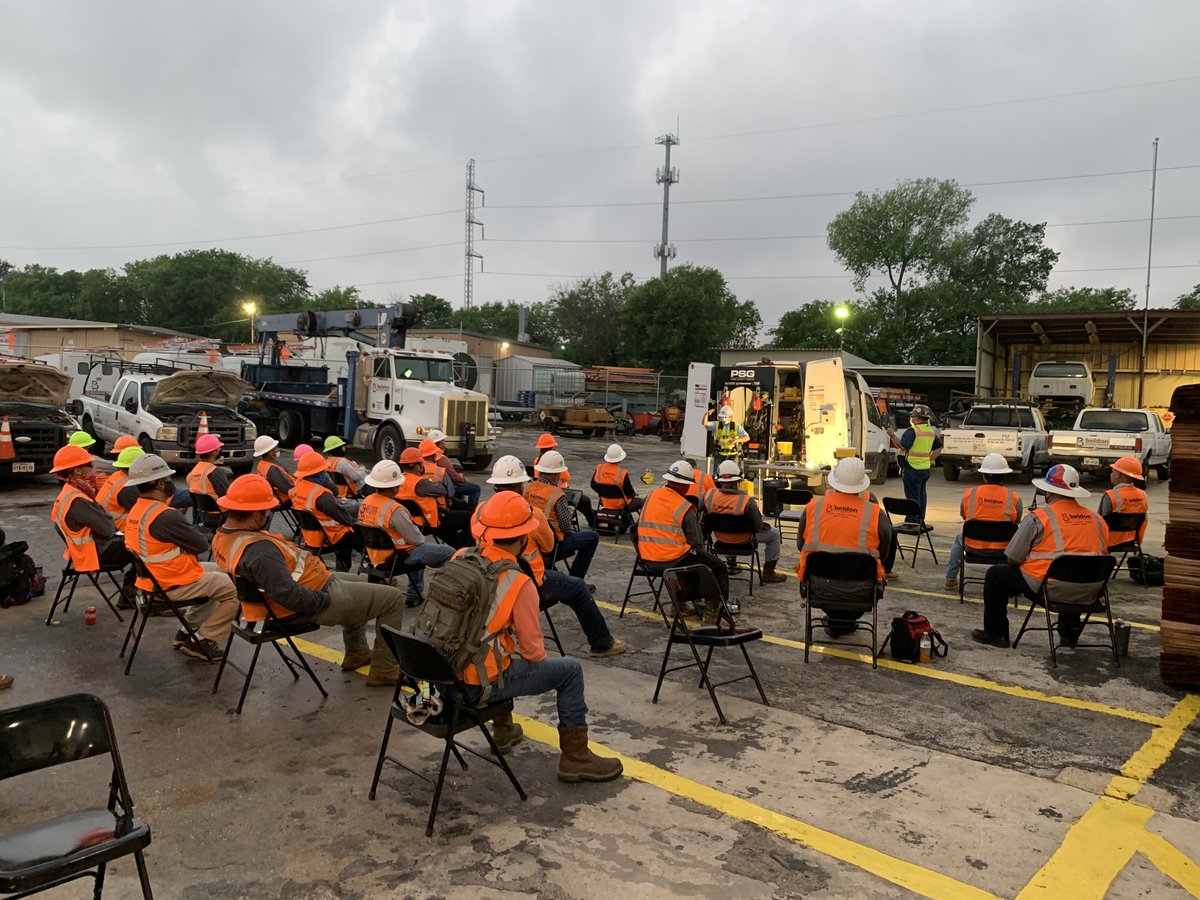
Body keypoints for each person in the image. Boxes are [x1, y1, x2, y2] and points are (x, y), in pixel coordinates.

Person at [458, 492, 623, 781]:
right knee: (569, 671)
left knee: (493, 648)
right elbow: (534, 654)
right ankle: (575, 758)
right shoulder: (519, 582)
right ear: (524, 538)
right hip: (471, 686)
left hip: (438, 676)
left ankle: (504, 730)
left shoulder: (460, 557)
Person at [212, 475, 406, 686]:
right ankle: (385, 670)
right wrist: (324, 600)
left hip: (291, 593)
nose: (268, 515)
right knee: (392, 599)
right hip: (301, 604)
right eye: (266, 511)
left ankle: (356, 652)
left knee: (356, 582)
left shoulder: (223, 536)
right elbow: (289, 595)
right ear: (255, 514)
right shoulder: (260, 552)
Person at [480, 456, 625, 657]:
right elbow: (549, 547)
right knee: (578, 587)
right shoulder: (533, 514)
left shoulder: (480, 510)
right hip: (528, 583)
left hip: (489, 581)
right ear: (521, 486)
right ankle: (602, 643)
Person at [972, 464, 1110, 649]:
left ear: (1049, 492)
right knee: (1076, 571)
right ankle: (1069, 635)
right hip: (1090, 591)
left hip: (1049, 588)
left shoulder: (1038, 518)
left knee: (995, 575)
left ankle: (996, 634)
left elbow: (1013, 557)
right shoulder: (1097, 520)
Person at [123, 454, 240, 661]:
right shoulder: (165, 515)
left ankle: (186, 632)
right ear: (160, 484)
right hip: (168, 584)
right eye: (168, 479)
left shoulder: (137, 510)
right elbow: (200, 544)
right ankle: (202, 639)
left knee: (217, 571)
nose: (171, 484)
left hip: (153, 580)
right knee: (232, 589)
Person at [794, 457, 893, 636]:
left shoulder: (813, 507)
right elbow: (884, 554)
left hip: (818, 587)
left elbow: (801, 545)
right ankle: (845, 620)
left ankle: (837, 619)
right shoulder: (876, 515)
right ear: (862, 485)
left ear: (834, 482)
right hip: (863, 590)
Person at [639, 460, 731, 616]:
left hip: (646, 558)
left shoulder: (651, 495)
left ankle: (680, 605)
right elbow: (697, 542)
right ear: (686, 485)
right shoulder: (684, 507)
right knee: (717, 567)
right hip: (670, 560)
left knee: (691, 558)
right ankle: (712, 614)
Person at [358, 460, 455, 605]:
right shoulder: (394, 509)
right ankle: (433, 593)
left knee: (417, 550)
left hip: (373, 555)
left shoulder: (366, 501)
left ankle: (414, 594)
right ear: (394, 488)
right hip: (395, 557)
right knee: (450, 553)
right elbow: (417, 539)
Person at [49, 444, 136, 600]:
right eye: (90, 465)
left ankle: (131, 594)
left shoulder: (70, 492)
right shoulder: (78, 499)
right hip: (94, 553)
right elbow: (107, 528)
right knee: (144, 544)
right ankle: (135, 595)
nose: (94, 469)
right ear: (77, 470)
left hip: (87, 551)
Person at [943, 452, 1023, 590]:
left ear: (983, 475)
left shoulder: (970, 494)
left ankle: (950, 579)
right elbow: (1016, 523)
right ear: (1004, 475)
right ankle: (1017, 585)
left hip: (973, 546)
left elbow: (964, 516)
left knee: (958, 538)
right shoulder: (1014, 497)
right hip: (1004, 549)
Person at [702, 459, 787, 584]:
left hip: (721, 538)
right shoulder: (747, 501)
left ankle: (732, 565)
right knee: (774, 534)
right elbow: (758, 526)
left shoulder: (709, 495)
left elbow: (701, 513)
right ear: (738, 480)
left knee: (727, 525)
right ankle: (769, 573)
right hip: (743, 539)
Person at [525, 450, 599, 581]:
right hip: (552, 544)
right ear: (555, 474)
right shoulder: (557, 495)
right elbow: (566, 527)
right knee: (592, 537)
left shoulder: (527, 488)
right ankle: (576, 580)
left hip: (527, 540)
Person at [291, 450, 362, 570]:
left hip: (310, 537)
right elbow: (341, 515)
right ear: (317, 473)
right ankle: (354, 567)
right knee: (357, 535)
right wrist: (352, 523)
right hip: (329, 536)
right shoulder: (321, 495)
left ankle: (342, 567)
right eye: (322, 470)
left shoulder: (296, 489)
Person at [397, 447, 473, 548]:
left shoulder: (398, 481)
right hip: (429, 521)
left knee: (451, 526)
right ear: (417, 466)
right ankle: (466, 546)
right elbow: (444, 490)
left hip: (411, 521)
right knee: (469, 517)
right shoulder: (421, 483)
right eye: (421, 463)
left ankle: (458, 546)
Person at [890, 404, 941, 525]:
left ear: (917, 418)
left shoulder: (913, 431)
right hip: (924, 469)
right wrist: (929, 459)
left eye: (912, 417)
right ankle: (920, 519)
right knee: (922, 496)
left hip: (912, 469)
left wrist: (891, 434)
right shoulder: (930, 432)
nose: (911, 419)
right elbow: (939, 448)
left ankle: (912, 521)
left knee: (913, 498)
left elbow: (902, 446)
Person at [1098, 456, 1149, 547]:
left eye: (1113, 472)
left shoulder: (1110, 495)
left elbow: (1100, 521)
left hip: (1110, 542)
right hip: (1132, 541)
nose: (1111, 475)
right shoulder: (1143, 495)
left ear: (1118, 474)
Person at [94, 446, 145, 532]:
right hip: (119, 528)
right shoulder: (127, 487)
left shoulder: (118, 475)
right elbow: (143, 511)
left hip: (106, 522)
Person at [427, 428, 480, 508]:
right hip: (445, 488)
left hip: (433, 487)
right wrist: (461, 477)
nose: (445, 444)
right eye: (444, 441)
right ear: (439, 444)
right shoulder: (442, 458)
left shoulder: (424, 457)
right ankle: (471, 510)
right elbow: (455, 478)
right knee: (475, 488)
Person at [591, 443, 644, 519]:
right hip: (621, 505)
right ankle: (639, 524)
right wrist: (633, 494)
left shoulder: (599, 468)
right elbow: (629, 493)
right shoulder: (622, 473)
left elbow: (593, 485)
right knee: (643, 503)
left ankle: (625, 519)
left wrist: (603, 493)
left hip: (604, 503)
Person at [187, 434, 233, 502]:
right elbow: (226, 495)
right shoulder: (215, 472)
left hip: (200, 508)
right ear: (214, 452)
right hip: (218, 507)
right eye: (219, 448)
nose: (220, 449)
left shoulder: (191, 474)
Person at [254, 435, 295, 506]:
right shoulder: (273, 469)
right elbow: (286, 489)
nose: (277, 449)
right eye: (275, 448)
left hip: (278, 497)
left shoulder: (262, 464)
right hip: (287, 499)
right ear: (270, 452)